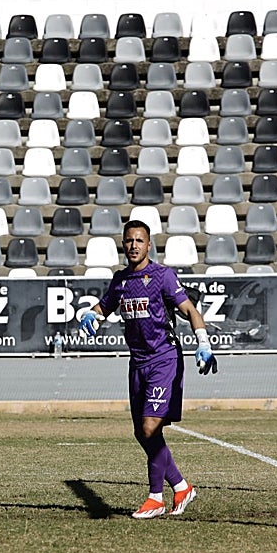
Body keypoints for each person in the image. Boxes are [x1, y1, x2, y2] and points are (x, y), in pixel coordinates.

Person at [79, 221, 218, 519]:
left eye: (139, 241)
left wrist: (203, 342)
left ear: (148, 244)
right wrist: (92, 315)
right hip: (137, 362)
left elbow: (189, 309)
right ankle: (181, 486)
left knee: (150, 428)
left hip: (164, 359)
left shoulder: (162, 276)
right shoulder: (120, 280)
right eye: (128, 241)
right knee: (142, 433)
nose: (133, 246)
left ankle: (156, 497)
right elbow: (105, 307)